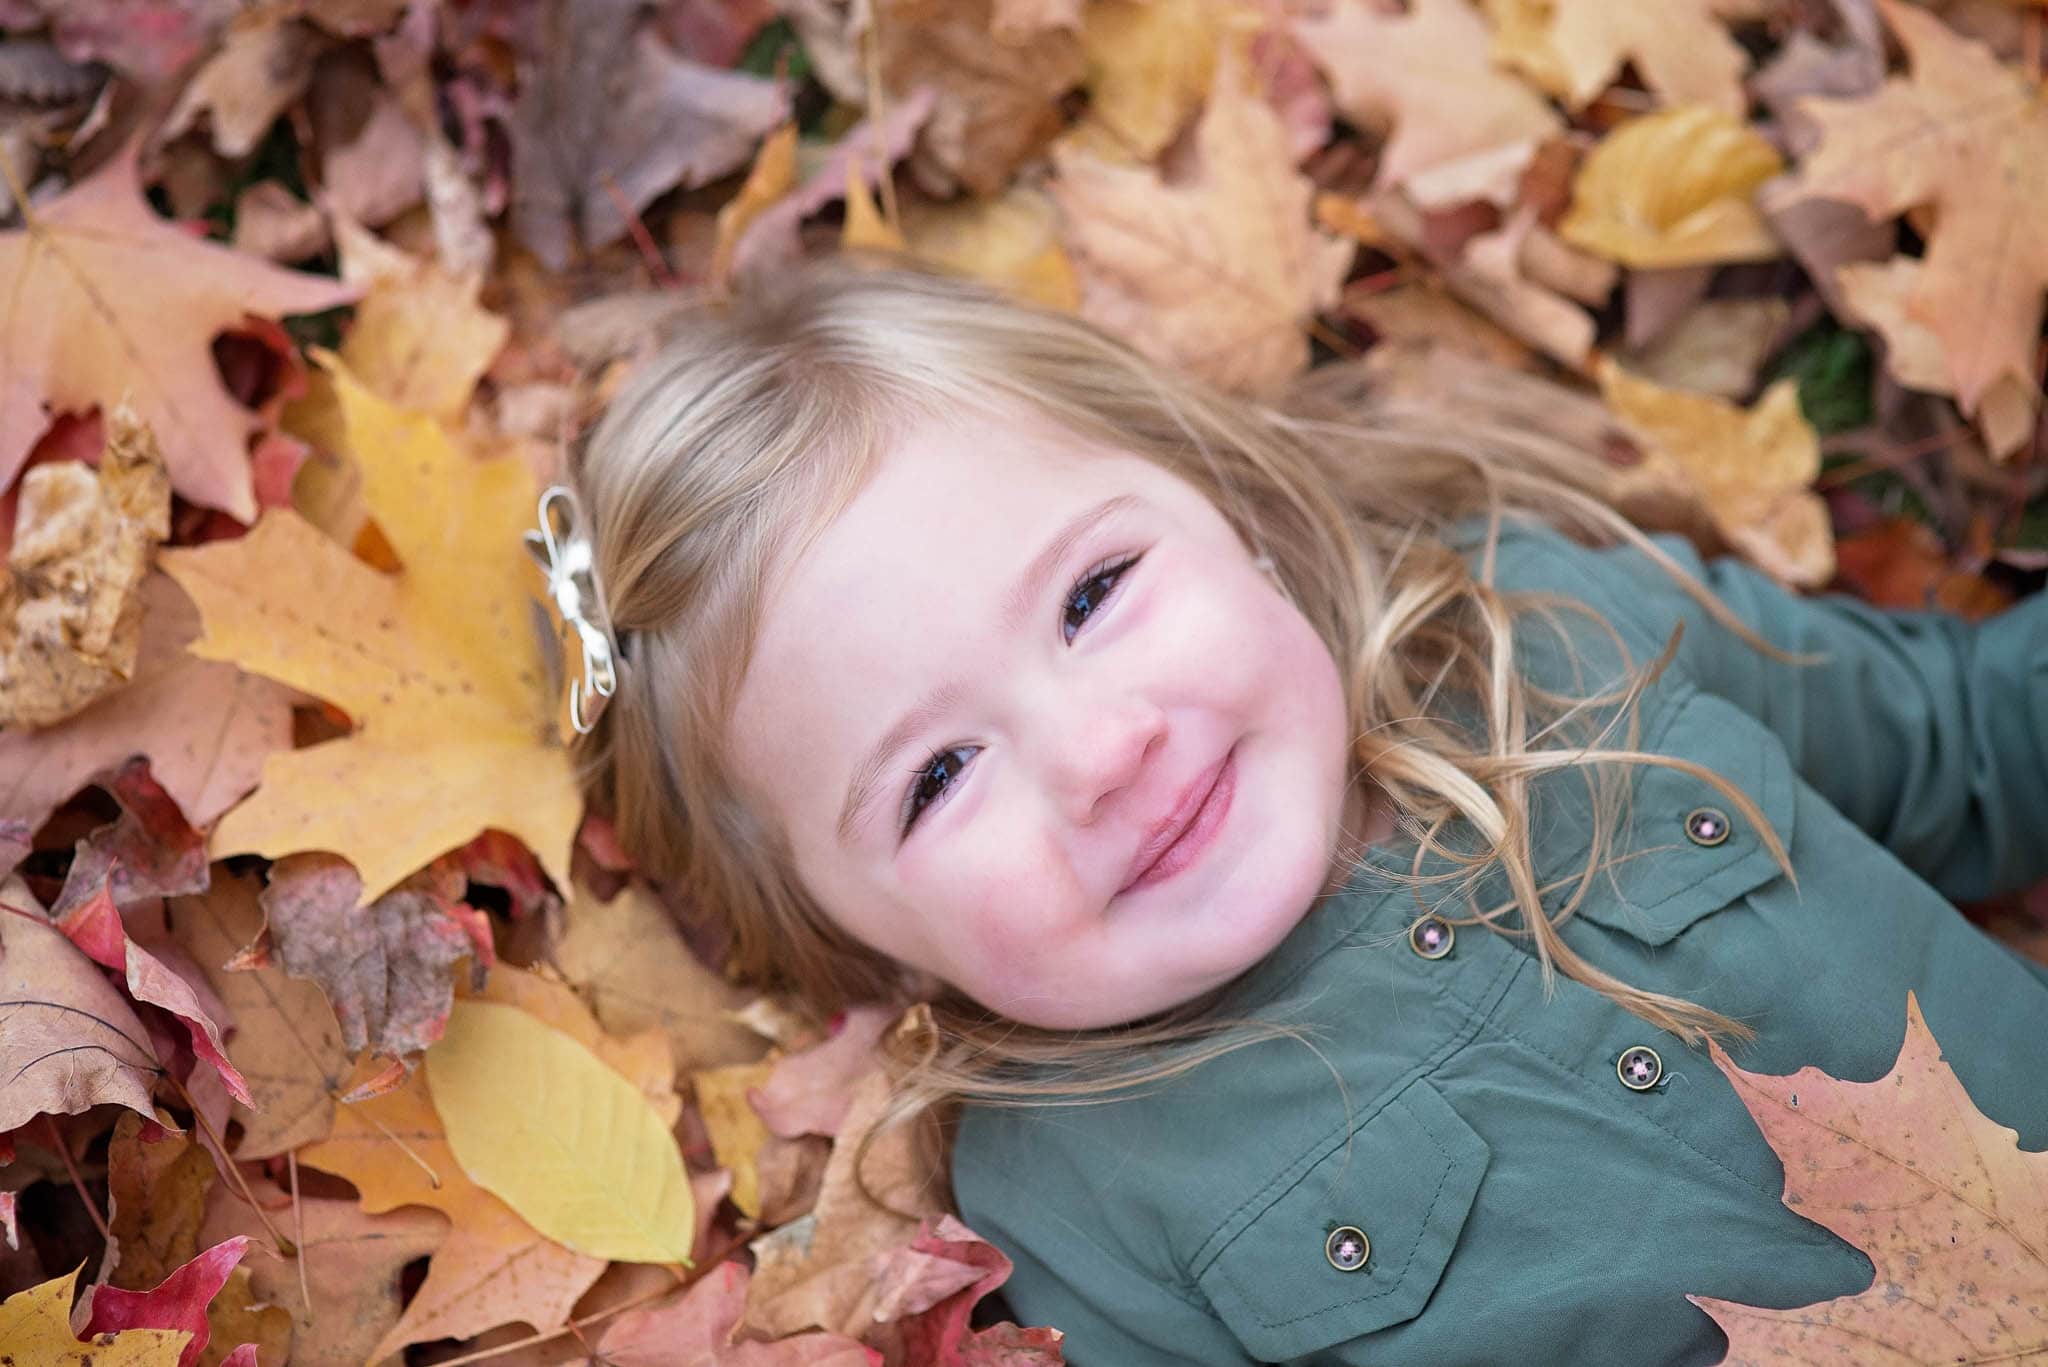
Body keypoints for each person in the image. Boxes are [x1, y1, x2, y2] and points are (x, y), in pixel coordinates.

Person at [545, 253, 2048, 1365]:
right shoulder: (1077, 1202)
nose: (1100, 753)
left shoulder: (1545, 626)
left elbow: (1972, 740)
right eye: (938, 779)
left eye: (1092, 594)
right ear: (865, 952)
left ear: (1232, 508)